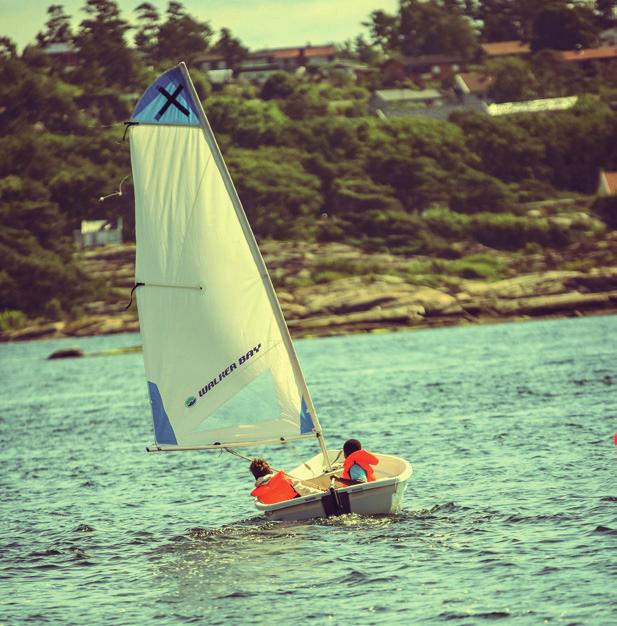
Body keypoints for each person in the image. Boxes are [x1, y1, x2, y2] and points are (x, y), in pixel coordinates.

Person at [249, 458, 322, 504]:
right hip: (302, 508)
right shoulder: (286, 479)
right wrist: (323, 493)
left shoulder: (259, 496)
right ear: (270, 470)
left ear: (255, 476)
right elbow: (305, 491)